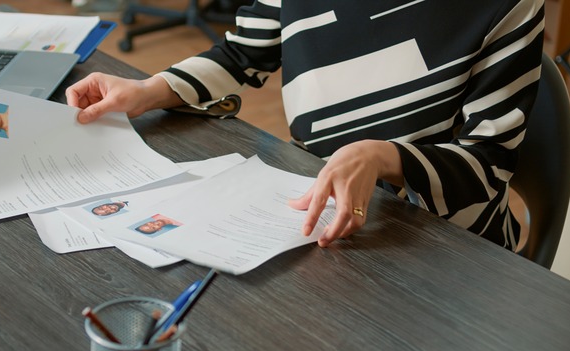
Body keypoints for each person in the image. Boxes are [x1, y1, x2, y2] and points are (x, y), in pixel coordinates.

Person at [66, 0, 544, 251]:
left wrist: (382, 156)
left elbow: (488, 163)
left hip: (446, 244)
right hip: (315, 217)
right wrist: (149, 90)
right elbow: (239, 54)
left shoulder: (508, 3)